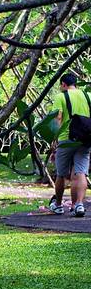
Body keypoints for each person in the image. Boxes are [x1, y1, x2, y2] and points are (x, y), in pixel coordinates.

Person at [49, 73, 91, 217]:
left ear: (63, 84)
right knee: (81, 172)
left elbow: (58, 118)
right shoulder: (87, 96)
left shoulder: (61, 97)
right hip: (85, 139)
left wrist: (54, 139)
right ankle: (78, 205)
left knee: (61, 174)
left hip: (66, 139)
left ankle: (58, 205)